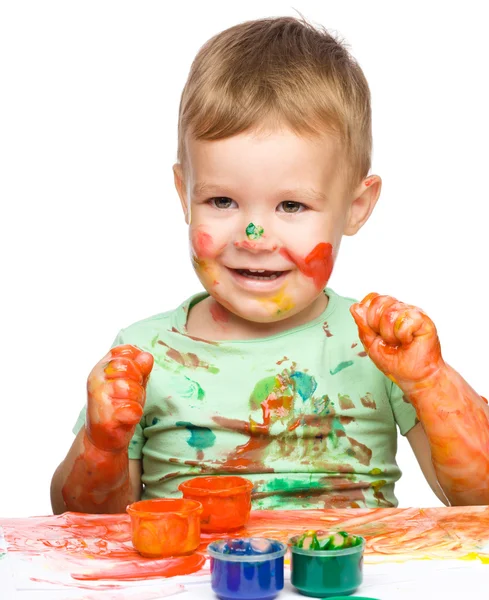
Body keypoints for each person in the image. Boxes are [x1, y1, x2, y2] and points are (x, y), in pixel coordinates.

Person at [51, 16, 489, 515]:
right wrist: (102, 444)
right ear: (183, 195)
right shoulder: (147, 354)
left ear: (356, 207)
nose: (254, 237)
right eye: (221, 201)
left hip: (344, 584)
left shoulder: (378, 347)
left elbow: (479, 500)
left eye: (292, 207)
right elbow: (83, 526)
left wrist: (431, 382)